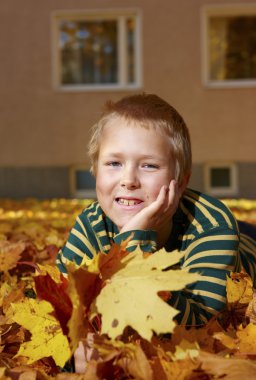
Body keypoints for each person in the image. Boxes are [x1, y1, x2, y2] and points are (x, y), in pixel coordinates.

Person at [56, 93, 256, 327]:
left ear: (180, 182)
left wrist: (135, 240)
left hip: (243, 247)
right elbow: (60, 300)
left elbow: (199, 324)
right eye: (114, 163)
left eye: (149, 165)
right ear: (94, 170)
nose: (128, 180)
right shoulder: (92, 223)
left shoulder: (212, 226)